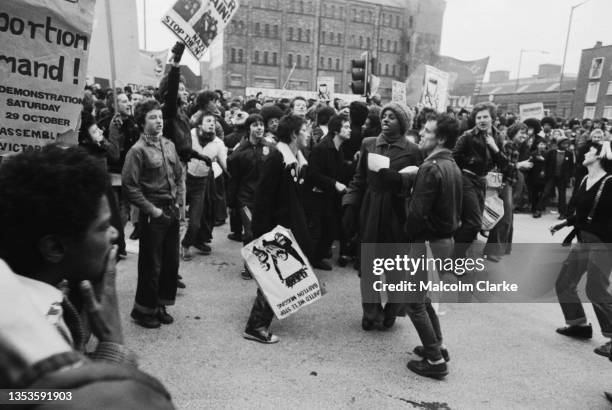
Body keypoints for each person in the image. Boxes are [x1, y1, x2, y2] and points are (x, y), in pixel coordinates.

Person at [0, 147, 173, 407]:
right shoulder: (31, 338)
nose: (115, 234)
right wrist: (113, 341)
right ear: (55, 248)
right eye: (103, 227)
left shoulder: (50, 298)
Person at [342, 102, 422, 330]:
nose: (386, 119)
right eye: (384, 115)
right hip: (371, 208)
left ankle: (392, 311)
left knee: (395, 268)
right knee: (369, 265)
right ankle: (371, 312)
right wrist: (349, 205)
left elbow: (419, 182)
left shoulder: (413, 150)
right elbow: (359, 179)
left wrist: (400, 180)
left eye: (392, 117)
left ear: (403, 123)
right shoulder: (368, 143)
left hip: (397, 211)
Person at [243, 114, 312, 343]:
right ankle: (256, 326)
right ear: (294, 134)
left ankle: (261, 317)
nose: (308, 134)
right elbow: (263, 198)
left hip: (285, 227)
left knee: (273, 277)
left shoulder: (294, 158)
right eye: (305, 130)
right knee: (273, 277)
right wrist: (262, 233)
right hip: (274, 228)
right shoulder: (277, 159)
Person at [403, 114, 463, 379]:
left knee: (413, 302)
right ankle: (437, 345)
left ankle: (436, 361)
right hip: (443, 240)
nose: (421, 134)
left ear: (440, 138)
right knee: (423, 297)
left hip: (427, 241)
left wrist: (409, 234)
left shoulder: (430, 167)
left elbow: (416, 214)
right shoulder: (451, 164)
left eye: (427, 131)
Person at [122, 99, 184, 329]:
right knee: (151, 264)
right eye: (152, 117)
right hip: (153, 213)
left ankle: (159, 305)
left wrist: (179, 204)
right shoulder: (137, 151)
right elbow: (130, 186)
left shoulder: (168, 145)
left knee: (170, 262)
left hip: (171, 211)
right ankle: (143, 310)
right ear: (141, 122)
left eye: (159, 117)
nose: (158, 121)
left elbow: (179, 174)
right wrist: (152, 210)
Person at [551, 140, 612, 358]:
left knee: (596, 289)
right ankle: (578, 324)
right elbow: (581, 212)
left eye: (590, 150)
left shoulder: (610, 182)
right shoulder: (586, 178)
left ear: (599, 156)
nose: (585, 152)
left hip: (604, 243)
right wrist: (564, 223)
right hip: (583, 240)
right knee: (564, 283)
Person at [452, 103, 508, 259]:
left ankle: (457, 256)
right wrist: (463, 171)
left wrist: (494, 147)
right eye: (478, 117)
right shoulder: (467, 136)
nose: (482, 120)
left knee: (473, 223)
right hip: (466, 179)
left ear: (493, 118)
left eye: (485, 117)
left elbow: (504, 163)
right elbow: (453, 157)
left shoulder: (497, 136)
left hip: (482, 181)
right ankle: (456, 257)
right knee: (474, 223)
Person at [304, 114, 350, 270]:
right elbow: (313, 174)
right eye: (346, 127)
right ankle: (314, 259)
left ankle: (319, 255)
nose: (349, 130)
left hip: (329, 196)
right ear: (336, 130)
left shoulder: (338, 147)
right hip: (317, 196)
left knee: (330, 228)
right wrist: (334, 183)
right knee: (319, 230)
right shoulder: (322, 148)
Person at [227, 114, 270, 280]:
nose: (259, 128)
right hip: (245, 199)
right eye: (255, 125)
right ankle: (248, 265)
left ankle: (261, 263)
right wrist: (232, 202)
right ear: (249, 128)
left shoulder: (270, 148)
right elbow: (233, 179)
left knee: (263, 232)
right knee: (250, 232)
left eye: (261, 125)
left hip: (264, 199)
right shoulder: (239, 152)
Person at [181, 111, 227, 260]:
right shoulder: (189, 135)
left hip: (200, 183)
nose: (212, 124)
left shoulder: (218, 144)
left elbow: (226, 165)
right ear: (200, 124)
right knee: (176, 217)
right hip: (183, 179)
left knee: (195, 221)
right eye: (208, 121)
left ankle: (186, 245)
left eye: (214, 122)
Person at [535, 135, 574, 219]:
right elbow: (546, 163)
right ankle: (538, 210)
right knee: (546, 192)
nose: (565, 145)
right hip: (551, 176)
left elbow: (571, 167)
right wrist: (543, 171)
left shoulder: (569, 154)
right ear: (559, 144)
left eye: (567, 143)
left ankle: (562, 213)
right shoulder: (551, 152)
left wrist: (570, 177)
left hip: (563, 178)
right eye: (563, 143)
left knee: (562, 195)